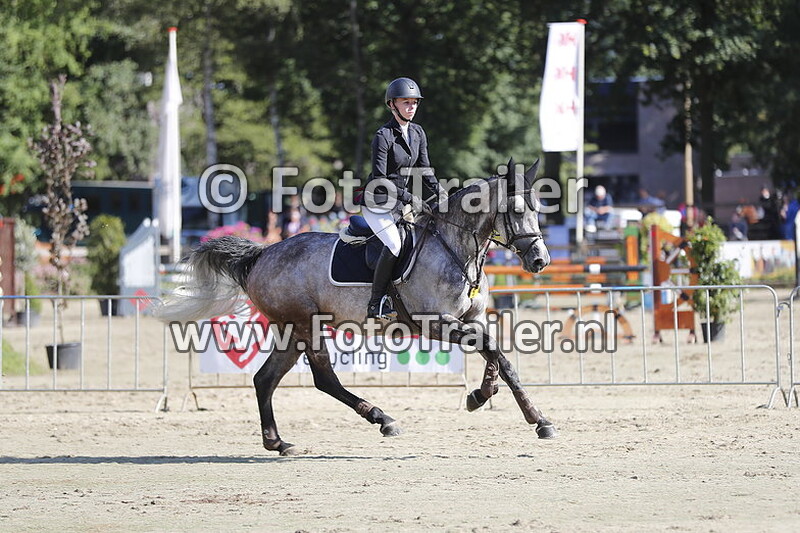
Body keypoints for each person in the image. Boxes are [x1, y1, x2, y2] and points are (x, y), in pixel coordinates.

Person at [361, 77, 447, 319]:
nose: (411, 107)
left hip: (399, 205)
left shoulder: (417, 132)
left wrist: (441, 192)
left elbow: (425, 169)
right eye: (406, 102)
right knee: (395, 244)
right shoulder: (383, 136)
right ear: (392, 105)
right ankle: (375, 303)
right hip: (377, 203)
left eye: (414, 102)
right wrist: (411, 198)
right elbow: (380, 178)